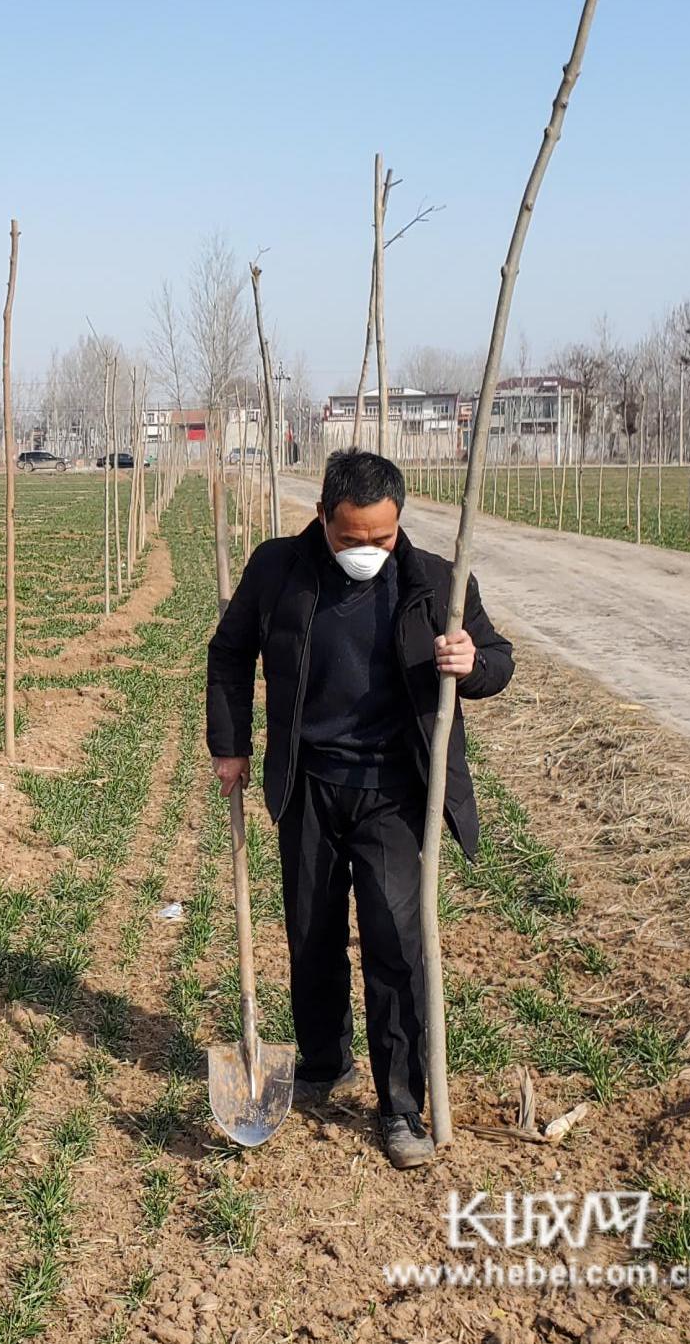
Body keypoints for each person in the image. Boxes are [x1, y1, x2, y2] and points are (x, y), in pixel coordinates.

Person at [204, 447, 513, 1169]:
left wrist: (473, 665)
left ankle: (401, 1104)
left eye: (383, 537)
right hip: (308, 780)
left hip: (395, 791)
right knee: (311, 931)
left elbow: (497, 659)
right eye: (352, 539)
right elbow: (229, 653)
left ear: (399, 523)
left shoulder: (434, 580)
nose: (369, 551)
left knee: (395, 942)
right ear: (322, 519)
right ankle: (322, 1061)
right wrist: (231, 744)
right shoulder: (278, 569)